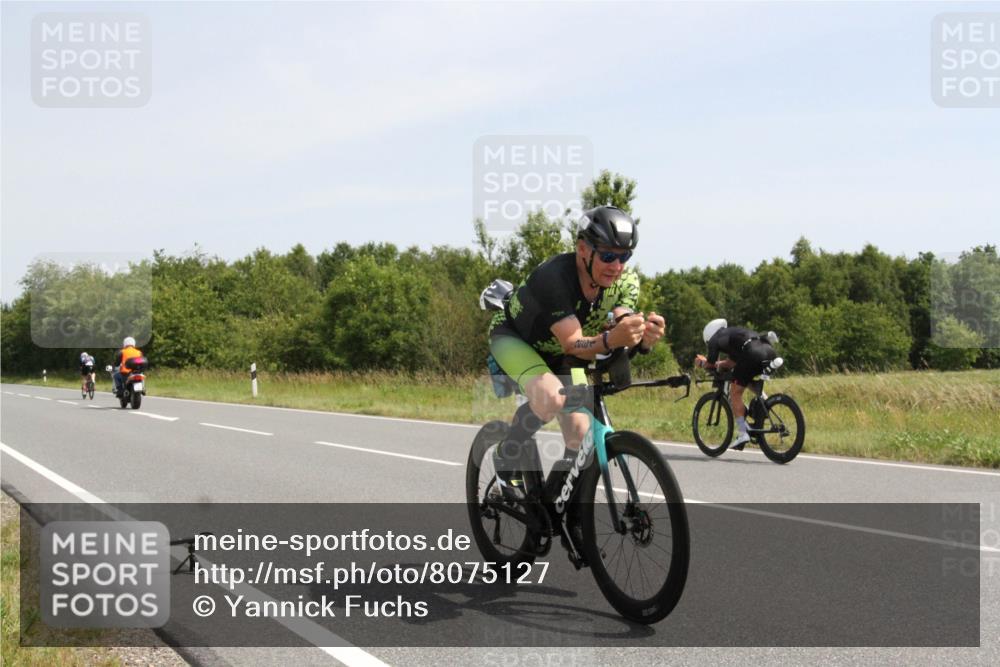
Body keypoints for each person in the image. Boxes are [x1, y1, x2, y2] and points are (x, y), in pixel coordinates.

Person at [487, 206, 667, 505]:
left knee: (582, 436)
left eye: (625, 256)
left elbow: (620, 320)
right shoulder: (554, 277)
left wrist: (641, 336)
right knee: (552, 397)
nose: (617, 266)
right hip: (518, 340)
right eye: (608, 256)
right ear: (583, 249)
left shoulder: (626, 282)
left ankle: (561, 507)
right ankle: (506, 457)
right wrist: (610, 339)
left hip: (563, 351)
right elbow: (574, 343)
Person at [695, 319, 778, 450]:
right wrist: (720, 364)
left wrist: (701, 363)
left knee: (735, 392)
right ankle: (763, 403)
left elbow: (710, 363)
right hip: (769, 351)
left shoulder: (714, 339)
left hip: (752, 354)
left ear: (708, 336)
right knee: (745, 377)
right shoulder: (733, 336)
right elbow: (731, 363)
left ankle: (743, 433)